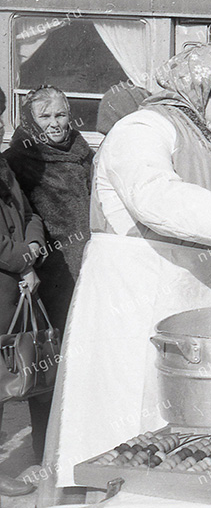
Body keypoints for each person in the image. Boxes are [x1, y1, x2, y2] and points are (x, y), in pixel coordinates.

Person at [38, 42, 211, 504]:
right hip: (134, 299)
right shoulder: (144, 127)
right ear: (199, 85)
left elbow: (200, 228)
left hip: (189, 302)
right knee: (129, 420)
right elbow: (153, 196)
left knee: (186, 432)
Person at [3, 86, 93, 333]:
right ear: (31, 120)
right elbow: (18, 218)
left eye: (60, 115)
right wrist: (30, 258)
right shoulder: (17, 160)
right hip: (50, 269)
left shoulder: (84, 154)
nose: (55, 123)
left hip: (91, 262)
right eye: (45, 117)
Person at [0, 87, 45, 497]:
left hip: (10, 285)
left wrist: (30, 250)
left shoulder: (2, 165)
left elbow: (29, 213)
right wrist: (23, 260)